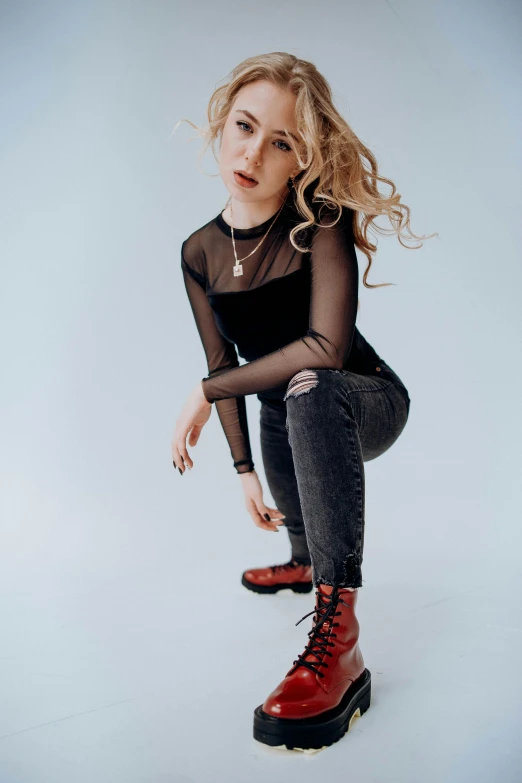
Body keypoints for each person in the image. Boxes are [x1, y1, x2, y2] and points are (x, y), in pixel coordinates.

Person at [171, 52, 435, 751]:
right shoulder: (198, 252)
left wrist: (205, 392)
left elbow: (322, 349)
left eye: (281, 141)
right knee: (274, 384)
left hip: (364, 396)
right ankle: (301, 552)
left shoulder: (319, 223)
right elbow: (224, 362)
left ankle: (339, 635)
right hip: (294, 402)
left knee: (303, 381)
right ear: (220, 126)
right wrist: (243, 472)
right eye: (245, 127)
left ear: (301, 160)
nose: (254, 152)